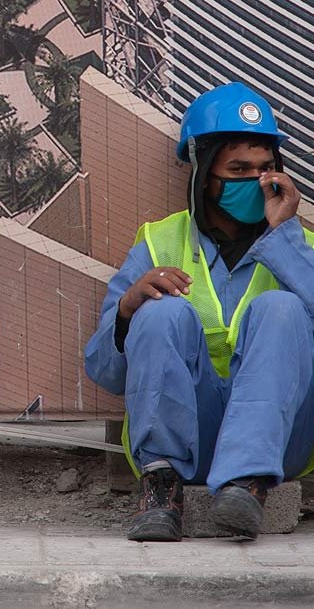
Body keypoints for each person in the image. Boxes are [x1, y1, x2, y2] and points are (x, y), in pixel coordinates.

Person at [85, 82, 314, 541]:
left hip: (278, 444)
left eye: (266, 168)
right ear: (205, 173)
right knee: (159, 312)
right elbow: (104, 372)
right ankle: (161, 490)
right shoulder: (158, 241)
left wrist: (284, 238)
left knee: (282, 307)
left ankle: (246, 483)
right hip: (191, 436)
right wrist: (127, 310)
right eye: (239, 169)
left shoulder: (301, 246)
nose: (257, 181)